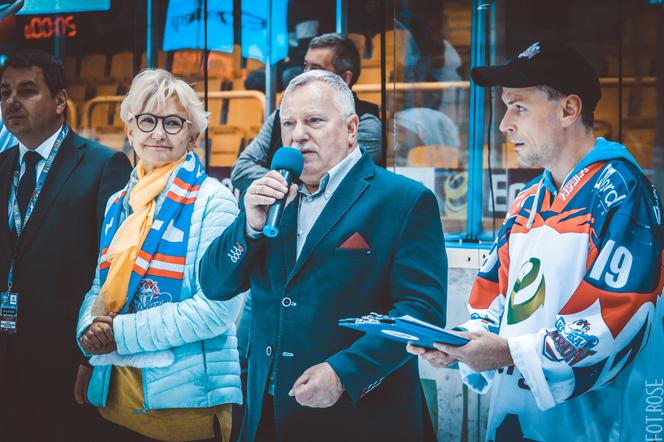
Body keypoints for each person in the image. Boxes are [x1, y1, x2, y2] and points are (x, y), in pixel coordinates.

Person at [408, 40, 664, 441]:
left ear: (569, 110)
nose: (504, 124)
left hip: (592, 427)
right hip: (517, 419)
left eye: (519, 107)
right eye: (506, 106)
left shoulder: (620, 189)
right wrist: (461, 342)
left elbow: (618, 315)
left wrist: (507, 352)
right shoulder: (526, 201)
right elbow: (492, 297)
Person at [200, 69, 447, 442]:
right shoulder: (272, 199)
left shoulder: (404, 200)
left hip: (359, 419)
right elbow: (215, 284)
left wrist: (344, 372)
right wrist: (248, 226)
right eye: (289, 123)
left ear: (351, 129)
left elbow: (420, 311)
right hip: (267, 415)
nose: (298, 134)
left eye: (314, 120)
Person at [75, 69, 243, 442]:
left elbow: (216, 312)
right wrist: (88, 332)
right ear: (130, 130)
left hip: (183, 414)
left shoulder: (215, 201)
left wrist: (118, 333)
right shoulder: (118, 203)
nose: (158, 133)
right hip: (113, 402)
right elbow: (97, 290)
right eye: (147, 120)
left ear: (192, 136)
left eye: (172, 123)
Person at [0, 49, 132, 439]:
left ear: (60, 101)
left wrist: (89, 355)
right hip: (6, 356)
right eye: (5, 91)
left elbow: (110, 272)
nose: (12, 102)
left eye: (27, 91)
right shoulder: (2, 165)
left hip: (65, 358)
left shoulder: (104, 165)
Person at [231, 33, 382, 193]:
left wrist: (278, 185)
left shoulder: (367, 124)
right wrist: (287, 186)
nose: (306, 74)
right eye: (306, 66)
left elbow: (343, 182)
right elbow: (241, 169)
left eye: (316, 120)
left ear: (345, 78)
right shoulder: (281, 113)